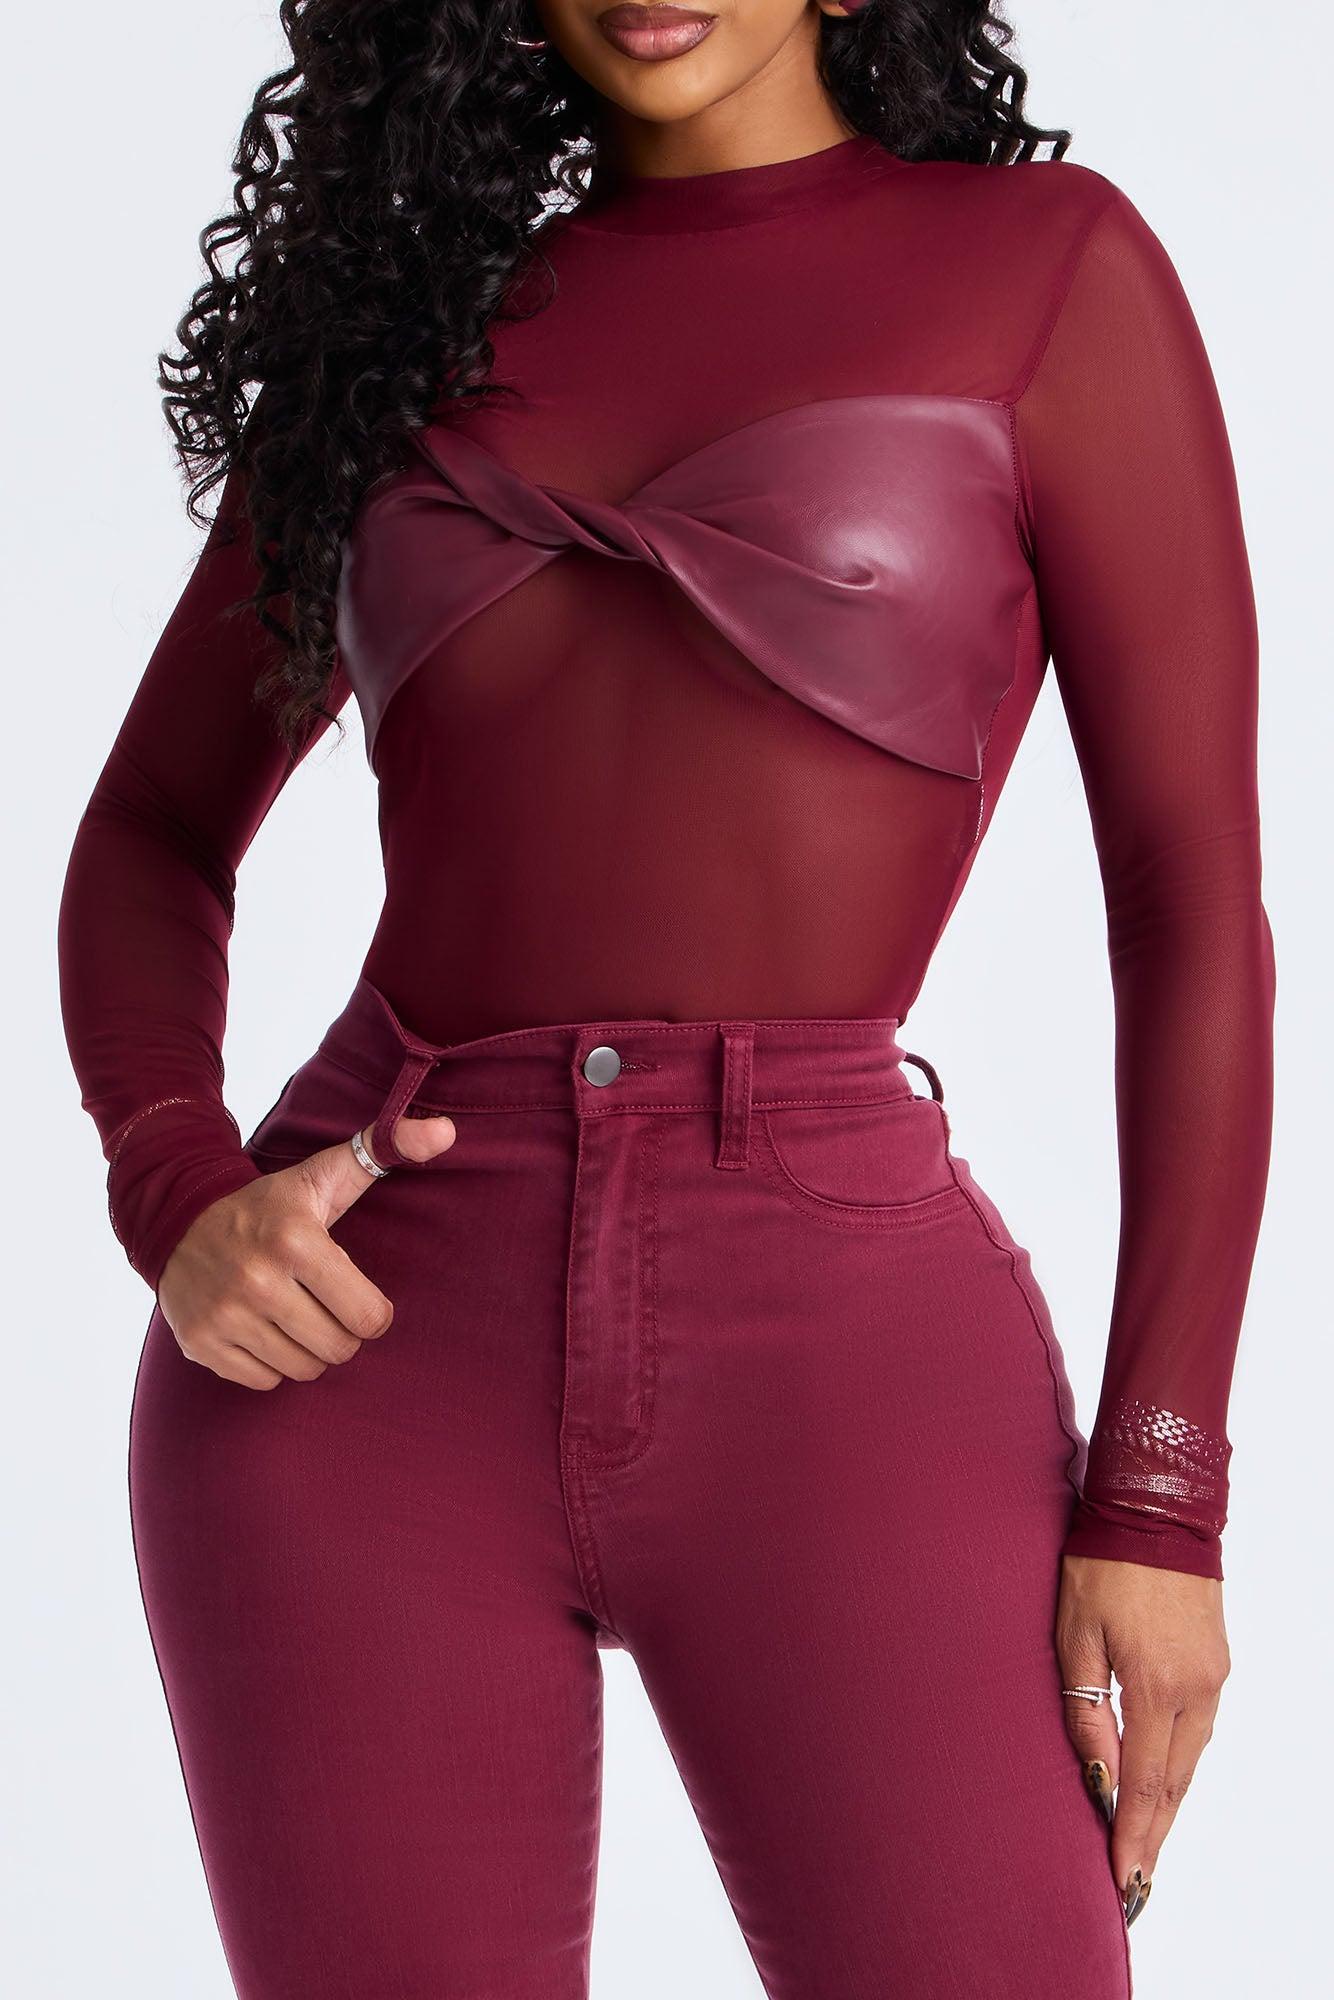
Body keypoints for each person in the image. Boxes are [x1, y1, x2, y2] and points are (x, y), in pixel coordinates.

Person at [57, 2, 1275, 1995]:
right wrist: (174, 1184)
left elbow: (1187, 902)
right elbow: (153, 829)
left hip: (841, 1337)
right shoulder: (406, 319)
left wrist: (1161, 1495)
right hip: (353, 1355)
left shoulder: (1045, 272)